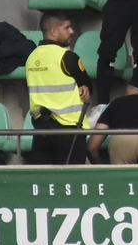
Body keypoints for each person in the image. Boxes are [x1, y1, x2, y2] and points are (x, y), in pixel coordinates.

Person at [26, 13, 92, 165]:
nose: (71, 31)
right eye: (67, 27)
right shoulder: (67, 57)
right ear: (54, 32)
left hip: (41, 129)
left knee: (45, 182)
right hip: (69, 131)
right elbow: (88, 86)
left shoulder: (31, 58)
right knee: (71, 182)